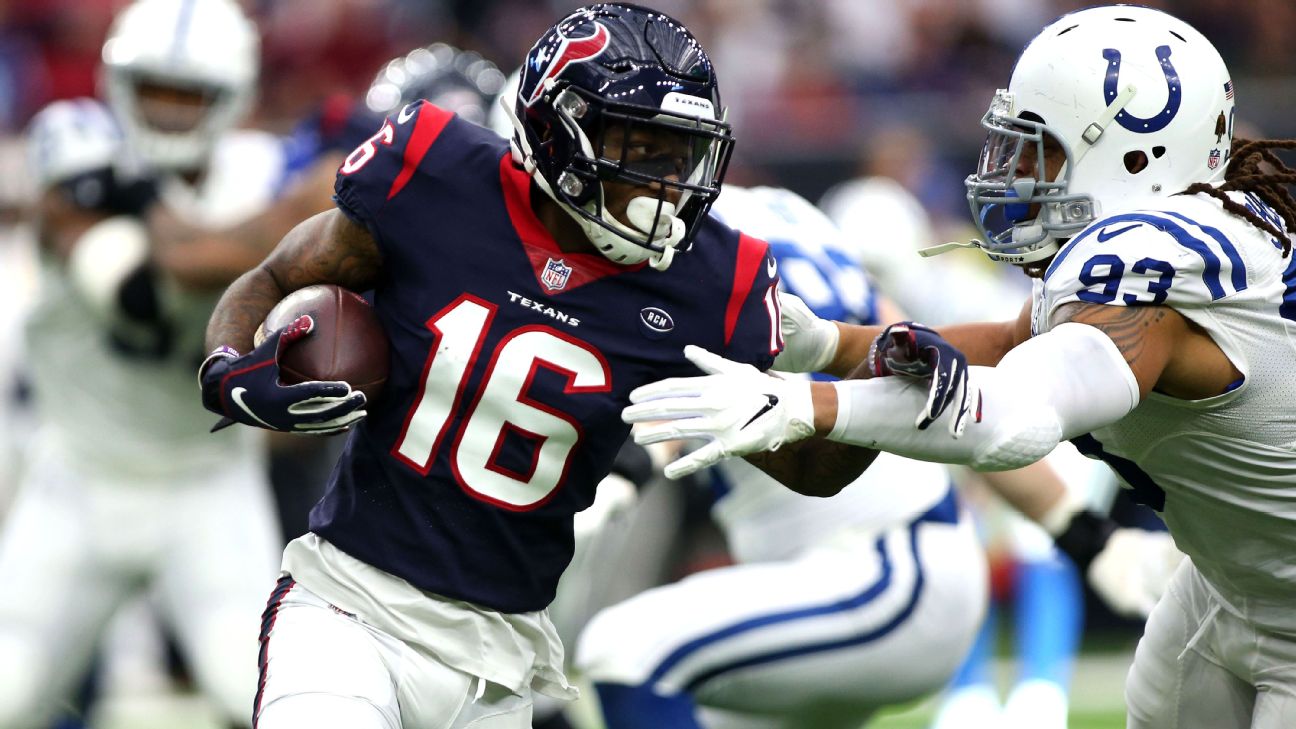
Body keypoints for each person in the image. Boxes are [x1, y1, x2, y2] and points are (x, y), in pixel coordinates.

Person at [622, 6, 1295, 727]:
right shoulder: (1172, 242)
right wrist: (827, 345)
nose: (1014, 172)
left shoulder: (1151, 265)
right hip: (1228, 579)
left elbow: (1017, 416)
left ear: (1136, 156)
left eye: (1042, 150)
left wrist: (804, 405)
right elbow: (1008, 343)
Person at [197, 5, 796, 727]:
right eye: (636, 146)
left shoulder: (712, 282)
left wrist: (819, 407)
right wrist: (229, 366)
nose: (661, 185)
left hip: (501, 661)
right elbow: (271, 274)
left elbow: (817, 463)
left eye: (676, 156)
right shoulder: (436, 174)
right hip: (349, 608)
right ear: (555, 128)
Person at [576, 184, 989, 729]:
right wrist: (1079, 530)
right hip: (887, 559)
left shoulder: (678, 242)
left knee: (626, 652)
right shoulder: (789, 210)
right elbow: (950, 399)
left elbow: (670, 402)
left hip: (880, 567)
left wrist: (621, 478)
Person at [0, 1, 284, 728]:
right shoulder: (75, 157)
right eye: (154, 89)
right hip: (78, 478)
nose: (166, 111)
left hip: (207, 486)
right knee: (10, 690)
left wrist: (150, 201)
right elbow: (136, 293)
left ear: (234, 97)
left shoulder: (261, 175)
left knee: (272, 700)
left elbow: (205, 250)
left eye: (187, 95)